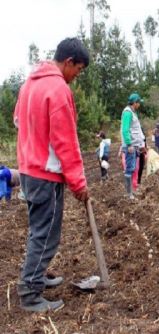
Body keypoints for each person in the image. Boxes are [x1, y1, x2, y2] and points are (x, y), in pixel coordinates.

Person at [13, 37, 90, 312]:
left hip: (28, 170)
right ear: (68, 62)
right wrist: (78, 182)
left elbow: (18, 121)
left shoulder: (29, 84)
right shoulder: (58, 89)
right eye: (78, 70)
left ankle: (38, 276)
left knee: (37, 229)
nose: (76, 77)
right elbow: (65, 141)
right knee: (46, 235)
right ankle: (30, 292)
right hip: (46, 174)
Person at [121, 93, 146, 200]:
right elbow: (125, 129)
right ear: (135, 102)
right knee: (130, 169)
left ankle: (131, 191)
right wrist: (129, 144)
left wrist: (141, 145)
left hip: (135, 145)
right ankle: (129, 194)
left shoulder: (133, 113)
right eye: (138, 102)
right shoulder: (127, 113)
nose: (139, 105)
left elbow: (136, 130)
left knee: (133, 168)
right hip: (130, 146)